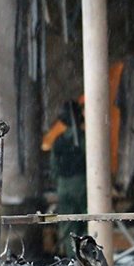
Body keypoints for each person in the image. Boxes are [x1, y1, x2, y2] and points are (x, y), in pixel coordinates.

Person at [51, 100, 87, 256]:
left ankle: (72, 259)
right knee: (87, 223)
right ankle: (86, 259)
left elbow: (54, 168)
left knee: (68, 227)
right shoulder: (85, 139)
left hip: (63, 187)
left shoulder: (58, 141)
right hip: (83, 185)